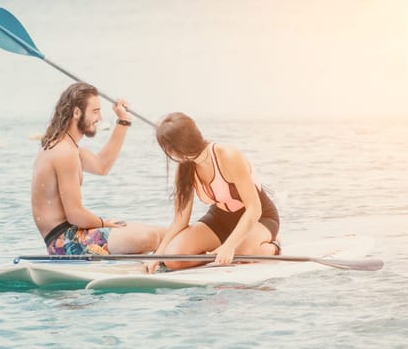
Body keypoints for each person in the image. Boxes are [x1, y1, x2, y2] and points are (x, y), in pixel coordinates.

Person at [31, 82, 165, 255]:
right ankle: (160, 264)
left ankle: (204, 255)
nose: (100, 117)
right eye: (95, 111)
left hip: (76, 232)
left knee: (166, 233)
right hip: (63, 242)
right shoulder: (64, 153)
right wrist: (104, 223)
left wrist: (123, 121)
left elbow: (102, 165)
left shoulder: (69, 148)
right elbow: (75, 215)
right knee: (149, 237)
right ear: (77, 113)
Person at [147, 112, 280, 272]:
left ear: (176, 148)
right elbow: (180, 221)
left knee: (241, 255)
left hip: (260, 218)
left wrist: (230, 245)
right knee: (173, 260)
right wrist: (159, 254)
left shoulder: (228, 156)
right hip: (220, 219)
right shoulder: (184, 168)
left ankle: (272, 247)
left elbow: (254, 209)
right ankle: (221, 251)